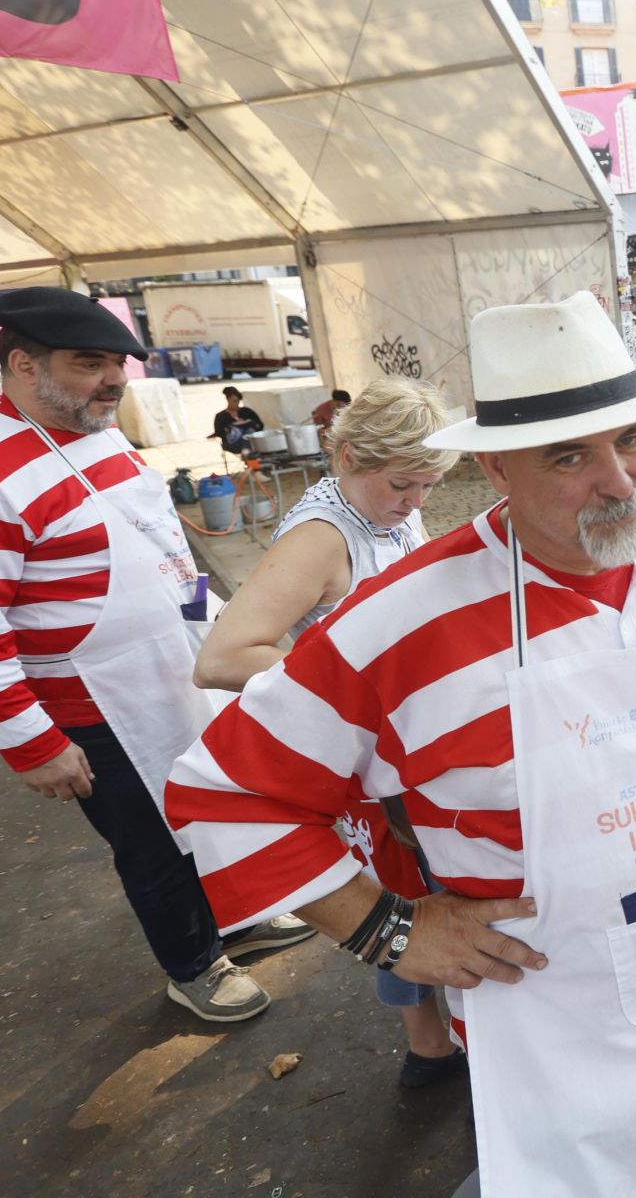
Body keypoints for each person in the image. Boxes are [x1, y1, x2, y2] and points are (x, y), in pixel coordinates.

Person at [165, 290, 636, 1196]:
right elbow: (222, 792)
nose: (621, 482)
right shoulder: (402, 624)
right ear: (494, 470)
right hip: (562, 1024)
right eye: (568, 455)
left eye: (633, 441)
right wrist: (385, 929)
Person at [0, 288, 312, 1024]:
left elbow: (168, 552)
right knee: (152, 844)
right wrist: (32, 746)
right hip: (90, 704)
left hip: (177, 669)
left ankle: (238, 918)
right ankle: (192, 965)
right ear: (25, 365)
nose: (115, 381)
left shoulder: (101, 436)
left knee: (210, 807)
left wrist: (211, 631)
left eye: (119, 363)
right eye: (90, 364)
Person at [193, 379, 463, 1087]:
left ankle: (443, 1039)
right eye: (404, 484)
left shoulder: (387, 510)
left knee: (429, 887)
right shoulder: (321, 536)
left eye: (429, 486)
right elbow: (222, 656)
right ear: (346, 458)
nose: (416, 503)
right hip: (369, 766)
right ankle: (428, 1047)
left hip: (404, 747)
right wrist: (348, 688)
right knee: (405, 900)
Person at [211, 385, 264, 453]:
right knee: (244, 439)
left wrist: (249, 423)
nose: (237, 403)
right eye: (234, 401)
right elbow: (219, 433)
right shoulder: (221, 416)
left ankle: (247, 453)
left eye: (238, 401)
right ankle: (248, 455)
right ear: (228, 400)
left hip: (250, 439)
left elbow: (260, 425)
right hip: (233, 443)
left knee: (248, 433)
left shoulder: (246, 411)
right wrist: (230, 428)